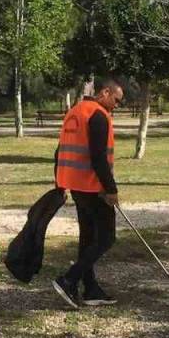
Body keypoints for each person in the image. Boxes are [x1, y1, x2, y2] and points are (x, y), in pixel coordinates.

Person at [52, 79, 125, 309]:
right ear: (105, 92)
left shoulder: (74, 112)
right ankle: (68, 280)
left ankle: (91, 289)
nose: (117, 105)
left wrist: (59, 181)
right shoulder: (98, 115)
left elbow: (59, 151)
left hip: (76, 185)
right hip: (93, 188)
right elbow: (98, 157)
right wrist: (111, 189)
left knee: (87, 237)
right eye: (116, 100)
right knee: (106, 238)